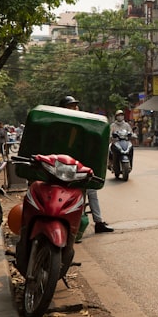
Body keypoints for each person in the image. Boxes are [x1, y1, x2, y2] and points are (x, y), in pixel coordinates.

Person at [60, 96, 113, 234]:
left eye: (75, 106)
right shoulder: (60, 123)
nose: (74, 108)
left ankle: (98, 222)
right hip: (63, 164)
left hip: (80, 163)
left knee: (91, 191)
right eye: (70, 106)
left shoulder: (83, 123)